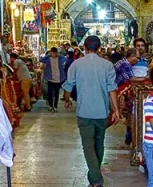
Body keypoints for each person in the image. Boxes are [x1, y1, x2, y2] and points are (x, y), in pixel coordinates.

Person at [62, 36, 120, 187]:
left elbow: (68, 86)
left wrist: (67, 100)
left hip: (84, 112)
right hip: (102, 112)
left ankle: (96, 179)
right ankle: (94, 175)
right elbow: (112, 89)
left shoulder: (76, 64)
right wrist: (116, 110)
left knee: (88, 146)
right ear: (100, 48)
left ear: (85, 48)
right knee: (99, 143)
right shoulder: (107, 65)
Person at [40, 47, 67, 112]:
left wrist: (59, 55)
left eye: (55, 53)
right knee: (50, 93)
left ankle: (55, 106)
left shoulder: (60, 59)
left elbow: (65, 58)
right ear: (51, 52)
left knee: (56, 93)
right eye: (52, 53)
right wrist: (48, 55)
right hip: (50, 78)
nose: (54, 54)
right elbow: (41, 60)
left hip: (58, 78)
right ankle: (50, 105)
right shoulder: (48, 59)